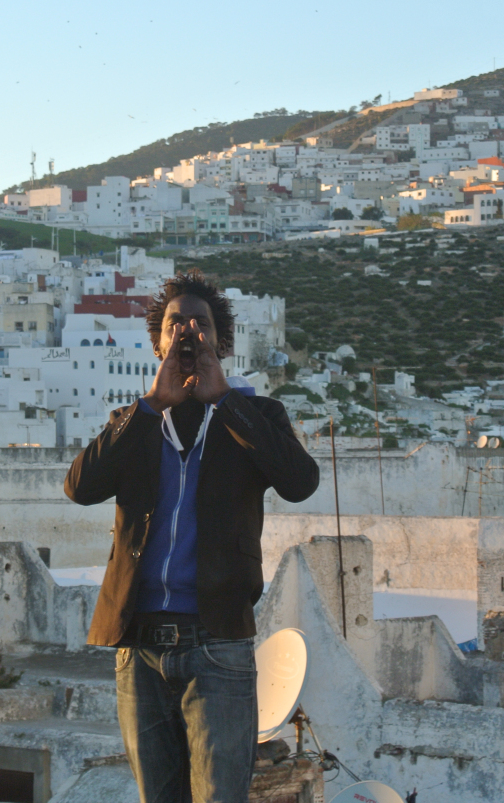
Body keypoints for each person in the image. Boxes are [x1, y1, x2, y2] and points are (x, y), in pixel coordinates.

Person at [65, 270, 320, 803]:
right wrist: (149, 406)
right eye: (175, 324)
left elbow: (300, 482)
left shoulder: (256, 415)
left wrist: (223, 399)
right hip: (138, 645)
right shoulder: (133, 421)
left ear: (221, 343)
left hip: (216, 642)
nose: (186, 333)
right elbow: (80, 487)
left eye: (199, 325)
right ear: (158, 343)